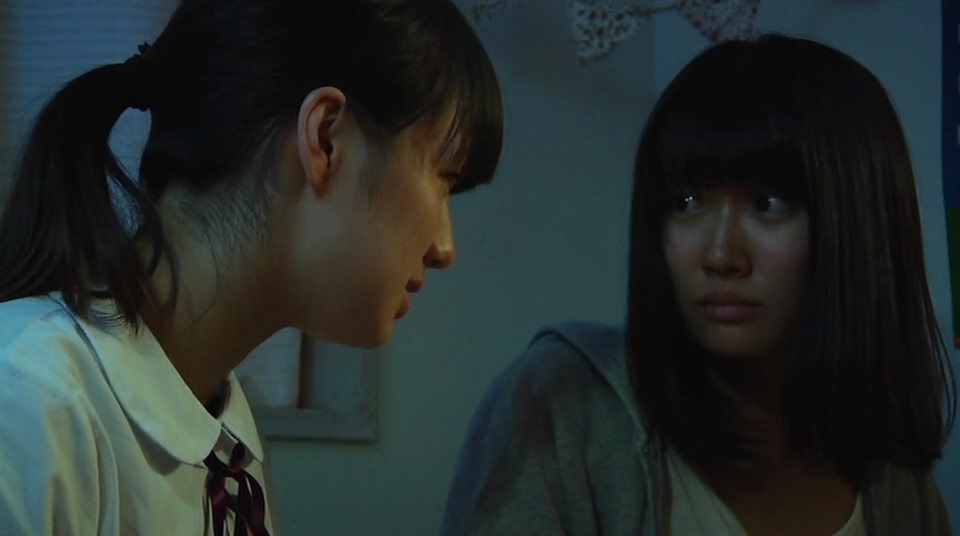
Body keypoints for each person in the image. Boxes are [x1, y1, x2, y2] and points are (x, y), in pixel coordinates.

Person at [0, 0, 503, 533]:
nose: (445, 247)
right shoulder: (29, 403)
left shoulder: (229, 441)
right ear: (326, 139)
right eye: (445, 179)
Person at [442, 34, 955, 535]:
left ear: (857, 223)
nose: (721, 255)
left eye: (768, 204)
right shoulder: (561, 404)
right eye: (686, 203)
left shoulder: (892, 477)